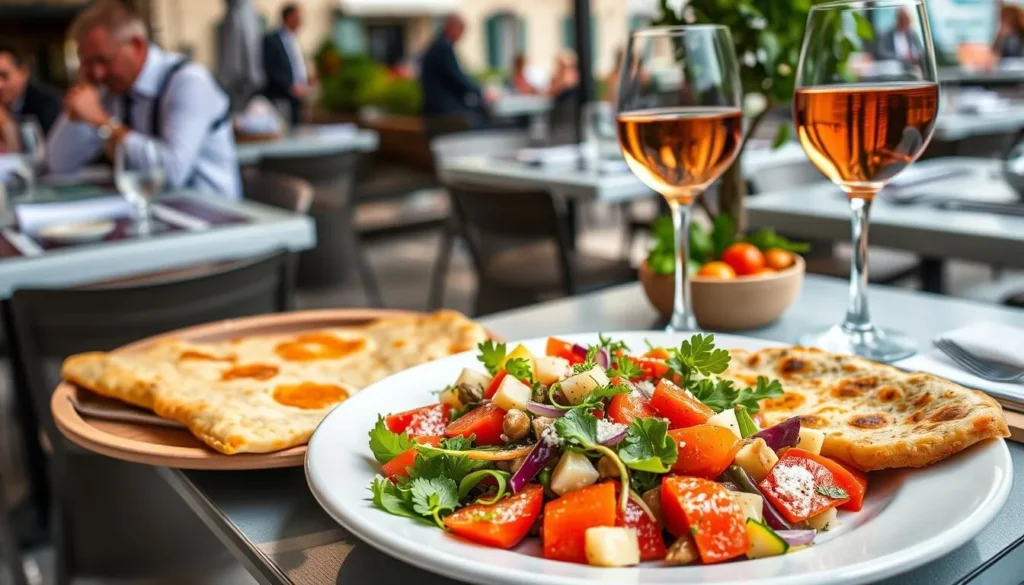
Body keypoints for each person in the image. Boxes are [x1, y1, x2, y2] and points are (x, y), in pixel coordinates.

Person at [46, 0, 240, 199]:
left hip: (214, 215)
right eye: (87, 63)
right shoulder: (109, 88)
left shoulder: (189, 82)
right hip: (154, 211)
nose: (97, 72)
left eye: (104, 60)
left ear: (137, 46)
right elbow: (60, 164)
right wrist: (83, 90)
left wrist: (102, 123)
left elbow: (172, 173)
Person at [419, 14, 489, 131]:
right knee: (481, 119)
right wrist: (480, 91)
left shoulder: (438, 45)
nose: (461, 36)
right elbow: (457, 77)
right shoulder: (443, 48)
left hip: (435, 107)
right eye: (461, 30)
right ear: (452, 28)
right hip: (442, 109)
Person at [0, 42, 61, 151]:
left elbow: (48, 151)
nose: (0, 85)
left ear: (24, 73)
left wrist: (7, 124)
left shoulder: (47, 103)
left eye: (4, 76)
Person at [262, 3, 311, 126]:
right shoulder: (272, 40)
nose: (301, 20)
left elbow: (294, 66)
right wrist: (290, 87)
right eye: (298, 16)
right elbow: (271, 69)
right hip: (280, 100)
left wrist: (306, 81)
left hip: (297, 100)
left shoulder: (294, 40)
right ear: (288, 17)